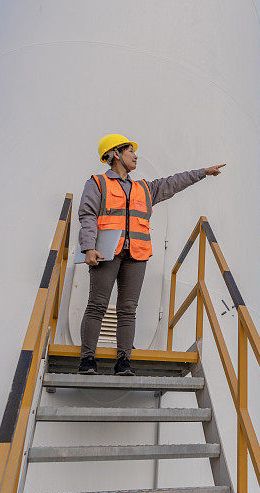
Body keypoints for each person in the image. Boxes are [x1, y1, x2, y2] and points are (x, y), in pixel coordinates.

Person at [77, 133, 225, 375]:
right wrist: (88, 247)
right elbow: (88, 215)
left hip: (137, 254)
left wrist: (203, 172)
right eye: (130, 152)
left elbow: (174, 182)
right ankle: (87, 360)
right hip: (105, 253)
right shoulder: (97, 183)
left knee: (128, 309)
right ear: (115, 154)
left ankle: (124, 362)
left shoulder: (144, 188)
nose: (136, 156)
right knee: (97, 305)